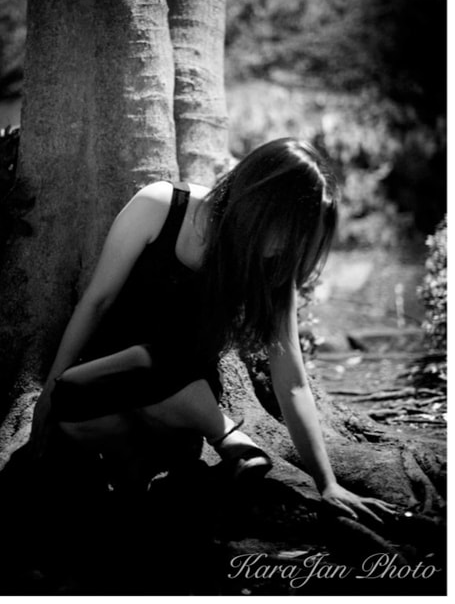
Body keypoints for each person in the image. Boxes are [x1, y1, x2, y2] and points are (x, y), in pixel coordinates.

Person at [30, 137, 397, 524]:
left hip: (182, 396)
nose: (288, 249)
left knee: (161, 359)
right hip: (106, 385)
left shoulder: (272, 270)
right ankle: (158, 462)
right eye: (288, 231)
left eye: (300, 240)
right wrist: (48, 393)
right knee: (70, 395)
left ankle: (218, 444)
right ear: (260, 202)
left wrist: (327, 484)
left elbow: (291, 381)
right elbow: (98, 301)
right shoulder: (160, 207)